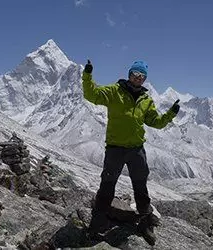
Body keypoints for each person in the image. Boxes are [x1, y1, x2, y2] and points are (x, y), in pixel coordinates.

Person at [82, 59, 180, 245]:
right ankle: (96, 226)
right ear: (129, 75)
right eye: (135, 74)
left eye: (142, 76)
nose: (138, 78)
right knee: (107, 186)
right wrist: (87, 75)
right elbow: (91, 95)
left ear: (145, 79)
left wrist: (170, 114)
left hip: (136, 150)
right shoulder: (113, 91)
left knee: (140, 187)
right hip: (115, 149)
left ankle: (145, 223)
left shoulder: (146, 100)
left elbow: (156, 122)